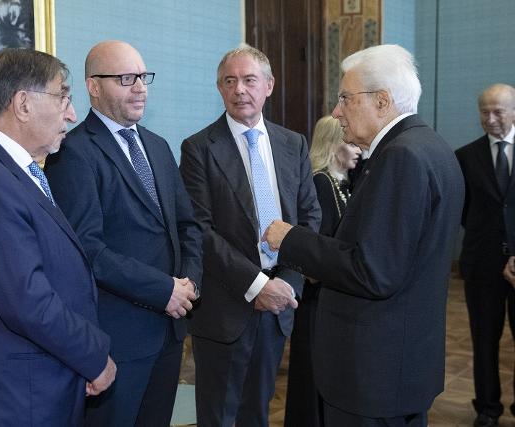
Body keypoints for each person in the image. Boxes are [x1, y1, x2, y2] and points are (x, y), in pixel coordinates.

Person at [264, 44, 464, 427]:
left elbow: (372, 271)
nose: (337, 111)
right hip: (403, 359)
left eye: (345, 98)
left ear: (383, 101)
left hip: (374, 369)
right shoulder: (433, 146)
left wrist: (291, 239)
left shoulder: (400, 157)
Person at [0, 48, 115, 426]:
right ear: (24, 103)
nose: (72, 113)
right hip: (9, 398)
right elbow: (27, 299)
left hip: (30, 385)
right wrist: (94, 356)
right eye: (63, 96)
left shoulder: (3, 168)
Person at [44, 40, 202, 427]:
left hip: (169, 332)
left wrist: (189, 285)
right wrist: (162, 290)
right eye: (126, 78)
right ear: (94, 86)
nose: (140, 88)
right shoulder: (74, 153)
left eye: (143, 77)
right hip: (119, 340)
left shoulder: (158, 146)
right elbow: (88, 252)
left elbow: (187, 227)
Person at [179, 44, 321, 427]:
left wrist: (287, 285)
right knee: (219, 415)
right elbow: (201, 230)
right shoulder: (198, 149)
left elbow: (309, 216)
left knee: (256, 412)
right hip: (226, 306)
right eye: (230, 81)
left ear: (269, 86)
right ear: (220, 89)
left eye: (249, 80)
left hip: (279, 306)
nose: (240, 89)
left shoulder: (294, 144)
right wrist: (258, 286)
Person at [284, 115, 360, 427]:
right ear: (333, 143)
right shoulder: (320, 182)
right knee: (312, 372)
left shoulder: (348, 183)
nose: (357, 149)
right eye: (350, 142)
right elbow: (319, 241)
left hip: (333, 294)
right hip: (316, 297)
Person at [456, 83, 515, 427]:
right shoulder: (465, 156)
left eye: (498, 111)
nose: (490, 118)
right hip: (482, 265)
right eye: (484, 112)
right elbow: (463, 212)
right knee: (484, 338)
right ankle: (487, 408)